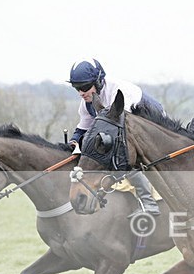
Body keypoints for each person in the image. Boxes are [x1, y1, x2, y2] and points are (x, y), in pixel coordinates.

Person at [67, 58, 162, 216]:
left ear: (98, 81)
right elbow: (83, 127)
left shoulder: (118, 92)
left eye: (84, 87)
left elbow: (122, 130)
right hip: (125, 128)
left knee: (123, 157)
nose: (81, 93)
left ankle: (148, 202)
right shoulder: (87, 102)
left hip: (150, 124)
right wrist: (74, 141)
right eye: (76, 88)